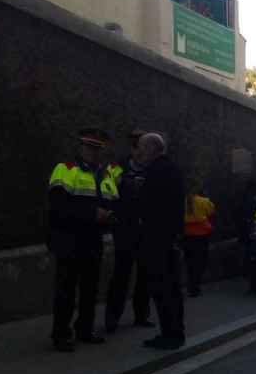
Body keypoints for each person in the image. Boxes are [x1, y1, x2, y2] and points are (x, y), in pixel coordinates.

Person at [47, 128, 119, 352]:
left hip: (93, 239)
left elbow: (112, 203)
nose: (93, 153)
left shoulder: (105, 175)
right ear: (80, 148)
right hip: (70, 239)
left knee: (90, 289)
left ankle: (85, 330)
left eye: (97, 149)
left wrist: (110, 216)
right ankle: (60, 335)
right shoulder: (65, 169)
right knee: (66, 290)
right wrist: (91, 214)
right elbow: (58, 207)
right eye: (89, 148)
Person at [137, 133, 186, 350]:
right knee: (173, 290)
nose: (139, 153)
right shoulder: (173, 169)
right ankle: (177, 332)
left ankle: (169, 335)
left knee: (162, 289)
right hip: (170, 238)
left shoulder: (156, 172)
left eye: (142, 148)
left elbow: (149, 206)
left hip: (157, 239)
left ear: (152, 149)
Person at [104, 129, 154, 332]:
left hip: (146, 229)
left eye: (143, 148)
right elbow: (108, 194)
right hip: (125, 228)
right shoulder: (117, 168)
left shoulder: (152, 169)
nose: (140, 152)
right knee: (121, 274)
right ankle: (112, 318)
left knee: (144, 275)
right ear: (132, 148)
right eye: (137, 147)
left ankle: (141, 315)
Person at [183, 184, 215, 298]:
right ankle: (195, 286)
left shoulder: (182, 202)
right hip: (201, 237)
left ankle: (192, 285)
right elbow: (212, 212)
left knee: (190, 263)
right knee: (200, 263)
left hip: (186, 237)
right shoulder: (204, 201)